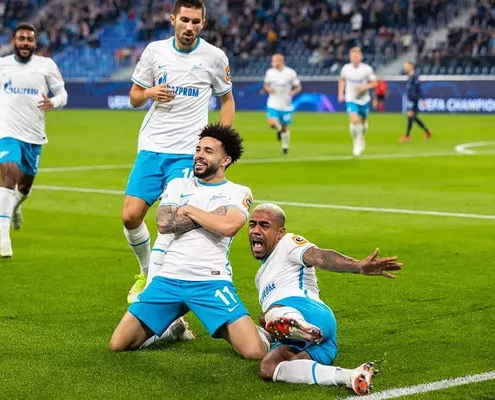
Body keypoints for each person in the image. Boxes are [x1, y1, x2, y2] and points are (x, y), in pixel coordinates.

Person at [109, 124, 270, 360]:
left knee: (254, 352)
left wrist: (188, 210)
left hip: (210, 281)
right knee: (118, 344)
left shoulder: (238, 191)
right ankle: (174, 328)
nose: (199, 155)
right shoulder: (178, 184)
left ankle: (265, 334)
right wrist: (213, 216)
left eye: (208, 151)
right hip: (168, 279)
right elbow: (164, 223)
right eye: (197, 149)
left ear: (225, 160)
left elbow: (229, 226)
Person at [123, 0, 235, 303]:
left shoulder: (214, 57)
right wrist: (149, 92)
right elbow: (134, 97)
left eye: (196, 22)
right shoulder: (154, 51)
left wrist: (220, 142)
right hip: (151, 147)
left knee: (170, 222)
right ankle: (146, 272)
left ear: (203, 24)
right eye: (184, 20)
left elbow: (227, 99)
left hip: (187, 153)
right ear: (173, 19)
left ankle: (154, 293)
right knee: (130, 217)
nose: (189, 27)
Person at [247, 203, 403, 396]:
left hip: (311, 312)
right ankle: (351, 376)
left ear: (280, 232)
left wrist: (358, 266)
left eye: (264, 225)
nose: (256, 230)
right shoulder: (260, 277)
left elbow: (319, 256)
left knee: (266, 316)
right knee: (269, 368)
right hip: (324, 339)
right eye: (252, 224)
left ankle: (300, 325)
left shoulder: (287, 244)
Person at [0, 22, 67, 258]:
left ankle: (15, 207)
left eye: (29, 39)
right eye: (21, 39)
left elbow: (62, 93)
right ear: (13, 41)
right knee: (8, 177)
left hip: (34, 134)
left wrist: (54, 102)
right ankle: (4, 240)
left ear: (35, 43)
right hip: (7, 131)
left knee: (23, 188)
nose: (25, 43)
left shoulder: (46, 65)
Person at [338, 47, 377, 156]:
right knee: (354, 120)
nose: (354, 58)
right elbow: (342, 79)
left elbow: (374, 83)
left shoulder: (367, 69)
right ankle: (357, 143)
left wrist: (365, 87)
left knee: (363, 122)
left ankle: (361, 138)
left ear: (360, 57)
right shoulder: (346, 68)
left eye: (356, 56)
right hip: (351, 98)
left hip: (364, 99)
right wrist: (341, 93)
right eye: (352, 56)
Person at [263, 53, 302, 155]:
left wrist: (293, 92)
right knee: (272, 123)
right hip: (273, 102)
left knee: (285, 126)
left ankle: (285, 146)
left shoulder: (290, 73)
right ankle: (278, 128)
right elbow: (266, 85)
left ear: (280, 61)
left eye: (274, 61)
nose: (272, 63)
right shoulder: (270, 72)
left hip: (286, 104)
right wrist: (269, 89)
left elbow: (298, 86)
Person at [400, 61, 432, 142]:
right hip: (410, 99)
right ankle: (427, 132)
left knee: (410, 116)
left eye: (406, 66)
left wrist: (423, 99)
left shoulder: (414, 77)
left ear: (411, 66)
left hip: (413, 99)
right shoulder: (410, 76)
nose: (405, 68)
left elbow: (419, 89)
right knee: (413, 117)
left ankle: (407, 136)